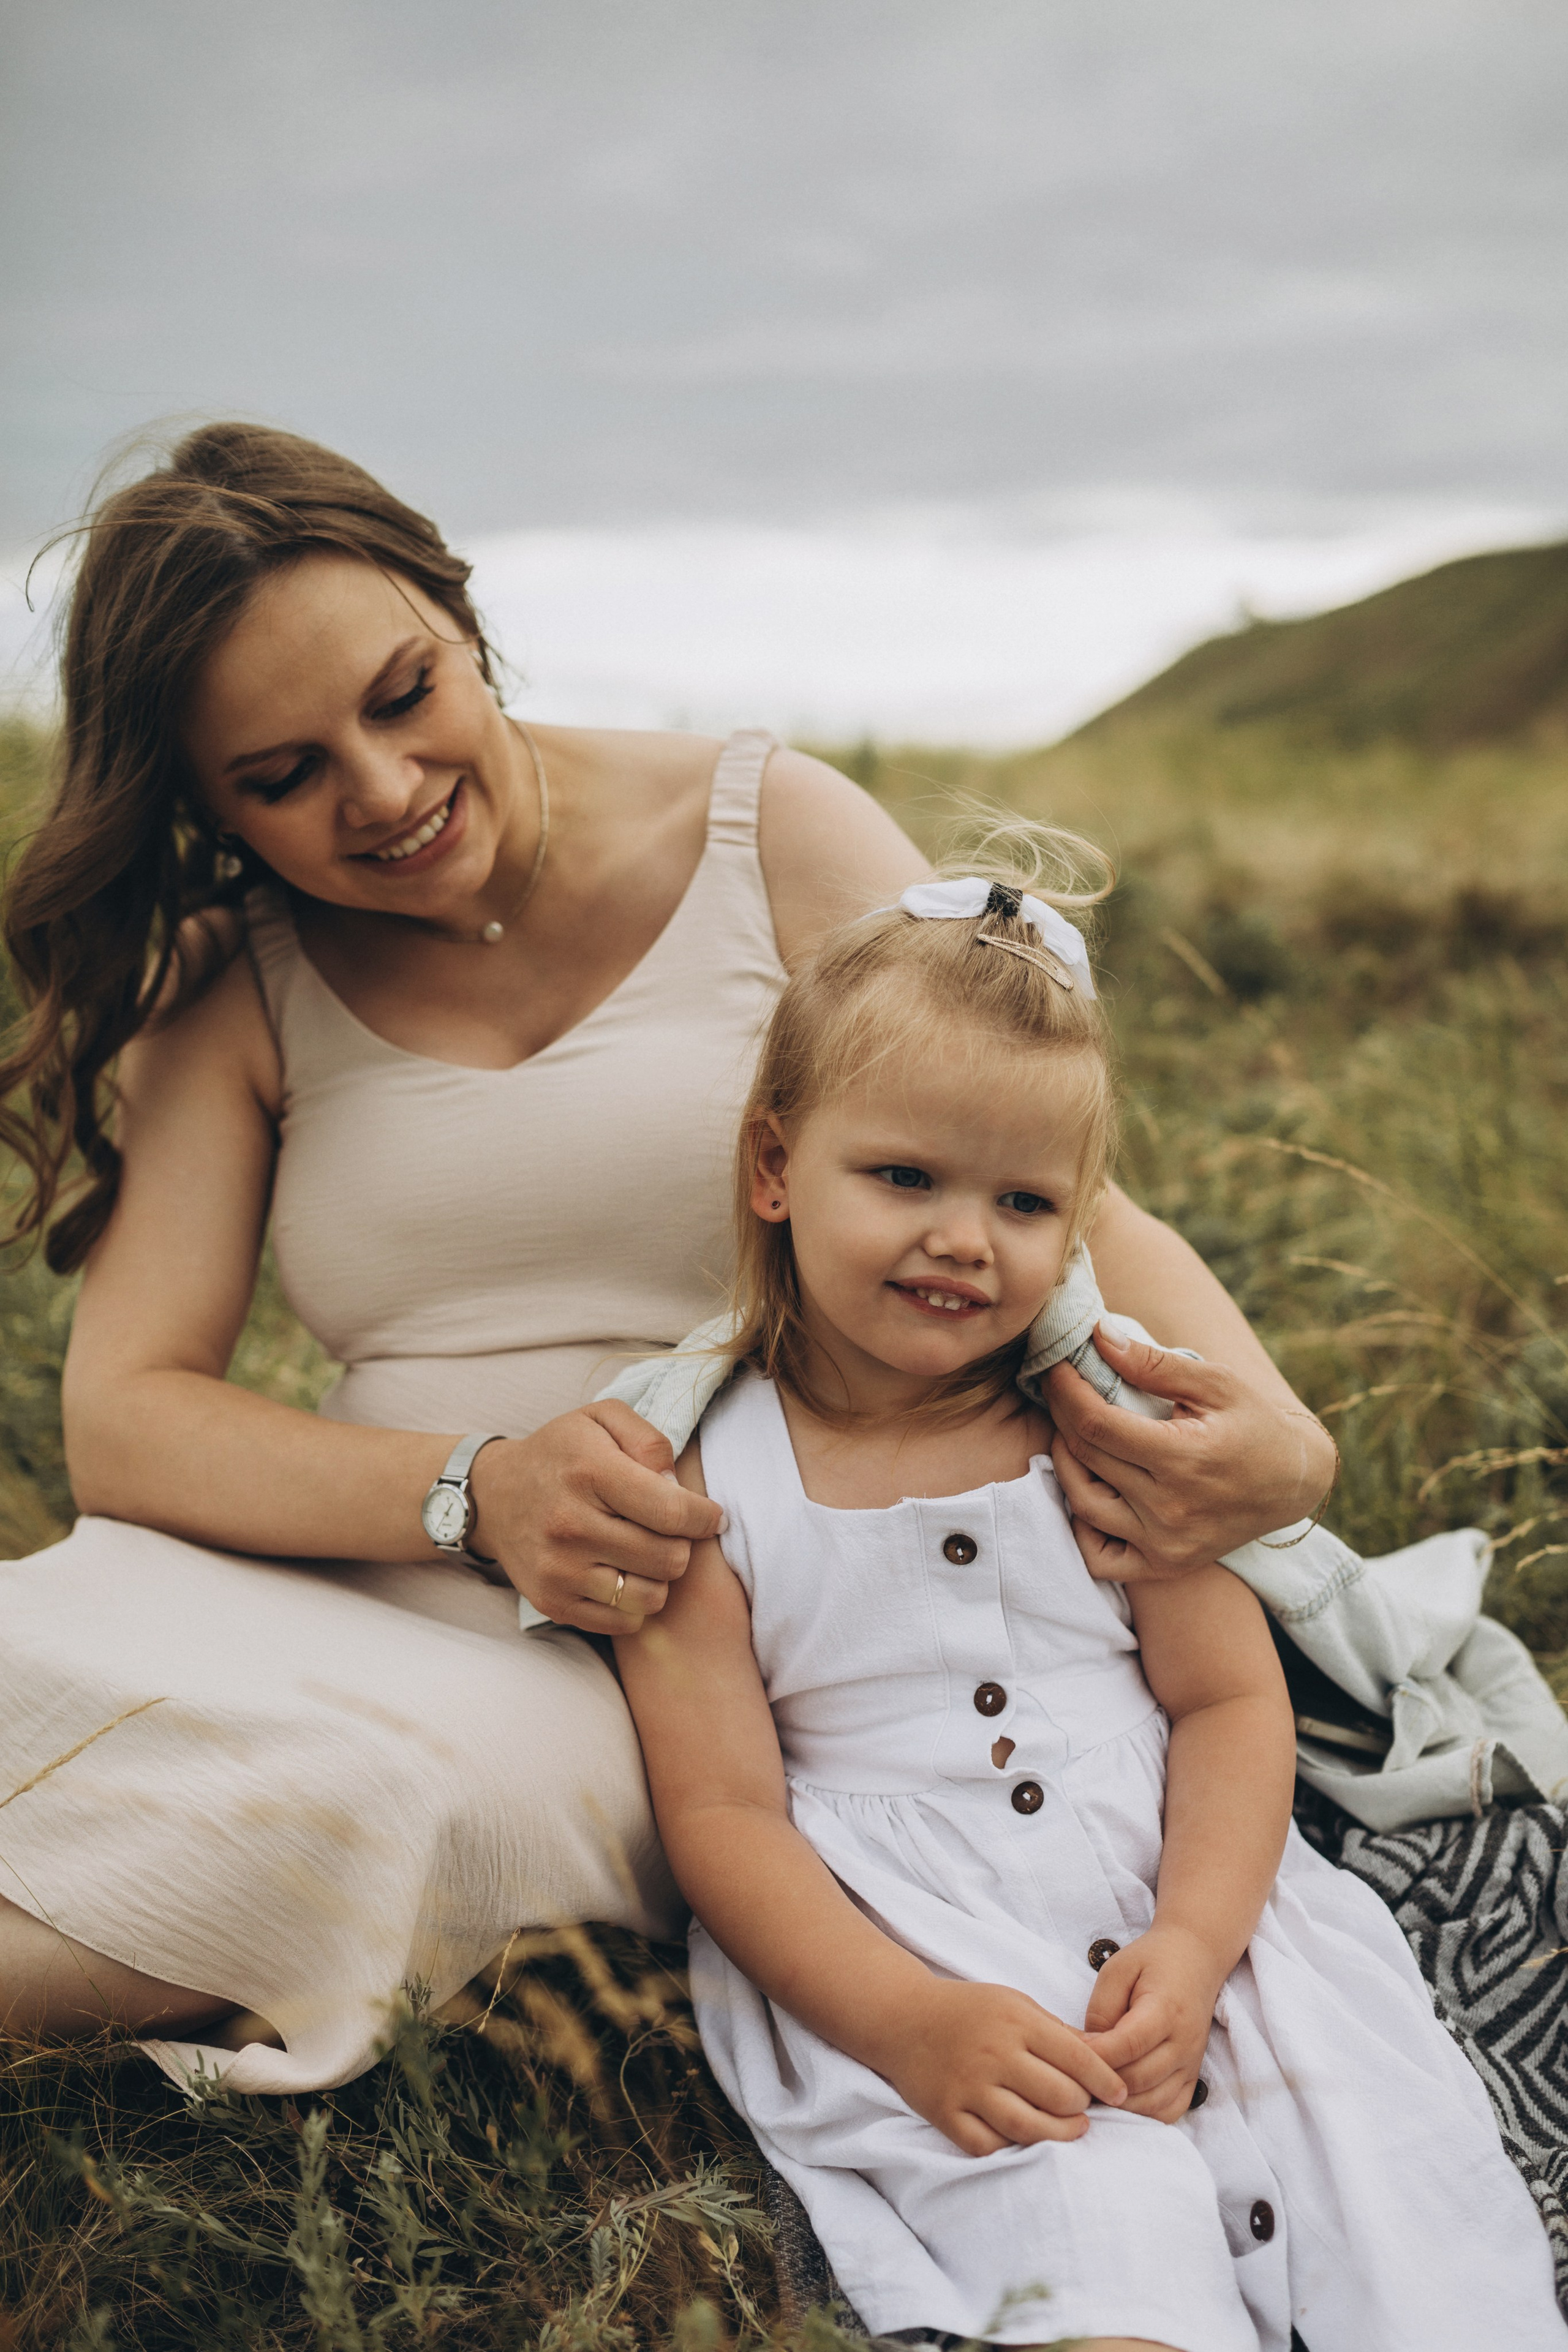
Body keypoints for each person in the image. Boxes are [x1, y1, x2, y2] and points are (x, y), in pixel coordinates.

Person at [0, 423, 1333, 2093]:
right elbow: (128, 1420)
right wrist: (475, 1490)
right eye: (282, 777)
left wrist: (1283, 1439)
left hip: (693, 1634)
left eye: (404, 696)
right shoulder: (230, 977)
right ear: (206, 804)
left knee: (377, 1800)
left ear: (459, 612)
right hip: (339, 1552)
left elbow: (1075, 1201)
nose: (385, 790)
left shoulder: (765, 836)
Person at [616, 865, 1567, 2352]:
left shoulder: (1103, 1429)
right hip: (918, 1961)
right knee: (1079, 2241)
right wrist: (902, 2024)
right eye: (905, 1179)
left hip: (1199, 1908)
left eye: (1022, 1201)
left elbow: (1224, 1701)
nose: (962, 1239)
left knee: (1396, 2208)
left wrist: (1194, 1947)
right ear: (774, 1167)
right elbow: (726, 1819)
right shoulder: (691, 1479)